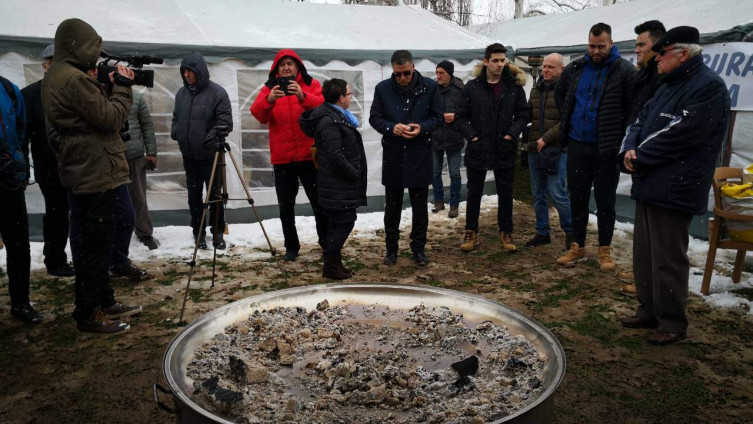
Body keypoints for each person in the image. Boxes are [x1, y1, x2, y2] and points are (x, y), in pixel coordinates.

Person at [619, 26, 730, 345]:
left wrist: (639, 154)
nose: (655, 59)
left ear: (683, 54)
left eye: (661, 54)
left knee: (668, 256)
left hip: (676, 185)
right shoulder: (667, 84)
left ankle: (671, 321)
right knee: (644, 253)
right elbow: (639, 121)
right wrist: (628, 149)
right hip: (651, 182)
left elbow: (681, 133)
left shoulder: (708, 87)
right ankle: (649, 309)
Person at [42, 18, 141, 333]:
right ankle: (88, 312)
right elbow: (110, 119)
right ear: (79, 45)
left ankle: (103, 299)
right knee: (97, 243)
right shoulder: (74, 79)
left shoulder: (57, 75)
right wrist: (123, 88)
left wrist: (105, 86)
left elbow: (84, 118)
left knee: (93, 240)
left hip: (83, 165)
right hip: (96, 169)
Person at [554, 23, 636, 269]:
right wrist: (570, 119)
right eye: (592, 46)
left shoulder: (624, 70)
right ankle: (577, 246)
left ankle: (604, 249)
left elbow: (633, 106)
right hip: (578, 144)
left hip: (606, 147)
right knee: (577, 197)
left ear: (611, 43)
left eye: (601, 46)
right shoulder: (576, 67)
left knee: (604, 200)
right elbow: (561, 95)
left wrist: (618, 130)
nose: (596, 51)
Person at [250, 49, 328, 262]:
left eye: (290, 64)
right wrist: (269, 100)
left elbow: (324, 107)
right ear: (276, 69)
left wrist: (303, 97)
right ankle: (291, 247)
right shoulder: (269, 88)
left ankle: (326, 242)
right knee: (286, 206)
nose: (286, 67)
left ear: (298, 67)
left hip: (309, 155)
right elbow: (257, 114)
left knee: (319, 203)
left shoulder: (311, 85)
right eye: (282, 64)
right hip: (283, 158)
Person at [369, 50, 443, 266]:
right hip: (393, 154)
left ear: (413, 67)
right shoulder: (383, 89)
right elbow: (375, 118)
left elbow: (438, 118)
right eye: (398, 74)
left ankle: (418, 248)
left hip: (419, 153)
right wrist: (392, 128)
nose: (402, 78)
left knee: (420, 207)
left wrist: (421, 128)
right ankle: (391, 249)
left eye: (406, 73)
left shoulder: (429, 87)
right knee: (392, 207)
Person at [455, 43, 529, 253]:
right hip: (479, 148)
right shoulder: (473, 87)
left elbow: (523, 115)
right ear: (485, 61)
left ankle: (506, 232)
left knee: (505, 193)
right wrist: (473, 136)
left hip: (504, 148)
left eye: (502, 60)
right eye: (495, 60)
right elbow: (460, 117)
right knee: (474, 193)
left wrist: (511, 134)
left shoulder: (513, 88)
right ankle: (471, 231)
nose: (499, 64)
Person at [299, 79, 367, 279]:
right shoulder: (330, 121)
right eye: (349, 94)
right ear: (341, 98)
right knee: (344, 222)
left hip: (338, 184)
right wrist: (354, 173)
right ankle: (330, 264)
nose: (350, 97)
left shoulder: (337, 116)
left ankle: (335, 263)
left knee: (340, 223)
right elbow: (335, 155)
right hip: (338, 184)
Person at [619, 20, 667, 296]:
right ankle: (645, 278)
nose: (636, 50)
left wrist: (641, 151)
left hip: (654, 162)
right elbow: (637, 117)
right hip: (638, 157)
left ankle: (653, 285)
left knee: (660, 234)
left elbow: (657, 124)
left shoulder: (662, 79)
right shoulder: (643, 76)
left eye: (641, 45)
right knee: (646, 230)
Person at [21, 44, 75, 277]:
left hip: (77, 164)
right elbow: (22, 136)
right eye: (50, 61)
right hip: (48, 167)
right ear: (44, 64)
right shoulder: (30, 94)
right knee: (57, 214)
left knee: (80, 213)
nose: (54, 66)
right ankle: (55, 260)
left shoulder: (73, 90)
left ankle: (81, 257)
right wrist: (23, 167)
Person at [172, 52, 232, 250]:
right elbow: (176, 118)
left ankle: (217, 232)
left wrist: (207, 141)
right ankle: (198, 233)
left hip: (211, 156)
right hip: (189, 155)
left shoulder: (217, 93)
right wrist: (177, 133)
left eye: (191, 71)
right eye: (184, 71)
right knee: (194, 196)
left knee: (214, 196)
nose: (188, 75)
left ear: (200, 71)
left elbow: (225, 124)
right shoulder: (181, 94)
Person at [1, 72, 41, 324]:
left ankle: (21, 302)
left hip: (7, 178)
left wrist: (18, 162)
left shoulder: (8, 89)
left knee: (17, 242)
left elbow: (21, 128)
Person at [525, 53, 573, 249]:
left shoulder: (568, 91)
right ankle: (542, 232)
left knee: (557, 194)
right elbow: (528, 114)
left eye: (550, 67)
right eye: (544, 66)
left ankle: (572, 232)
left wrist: (547, 138)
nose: (545, 69)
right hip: (535, 149)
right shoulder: (535, 90)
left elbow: (568, 121)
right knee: (538, 194)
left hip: (558, 149)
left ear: (561, 69)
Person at [125, 89, 159, 250]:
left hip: (134, 154)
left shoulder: (136, 97)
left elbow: (146, 125)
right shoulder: (98, 95)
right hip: (108, 156)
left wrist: (151, 152)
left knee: (138, 196)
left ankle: (144, 232)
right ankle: (112, 232)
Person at [431, 60, 465, 218]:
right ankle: (438, 201)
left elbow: (468, 111)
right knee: (435, 172)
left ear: (449, 74)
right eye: (437, 73)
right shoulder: (432, 89)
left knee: (454, 173)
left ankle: (454, 204)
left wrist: (456, 116)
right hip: (436, 135)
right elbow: (427, 110)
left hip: (454, 136)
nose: (438, 76)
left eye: (441, 73)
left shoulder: (461, 89)